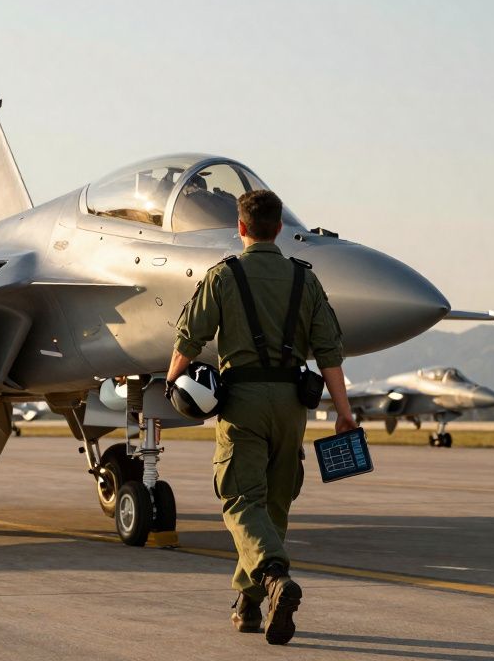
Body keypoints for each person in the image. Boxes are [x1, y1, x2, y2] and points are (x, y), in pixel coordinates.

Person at [167, 189, 355, 645]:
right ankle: (250, 607)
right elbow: (329, 351)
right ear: (279, 228)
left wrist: (174, 383)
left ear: (242, 228)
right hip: (293, 406)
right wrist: (344, 414)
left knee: (239, 500)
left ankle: (273, 576)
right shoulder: (304, 279)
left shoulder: (223, 276)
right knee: (274, 505)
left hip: (242, 403)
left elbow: (190, 337)